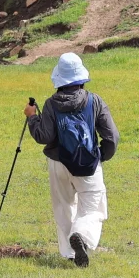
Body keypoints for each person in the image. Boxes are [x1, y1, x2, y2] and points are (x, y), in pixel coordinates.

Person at [24, 52, 119, 266]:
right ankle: (82, 236)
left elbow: (44, 136)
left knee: (63, 206)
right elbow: (111, 137)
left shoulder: (50, 104)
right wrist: (100, 157)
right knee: (93, 207)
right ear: (81, 78)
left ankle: (69, 252)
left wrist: (32, 118)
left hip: (58, 163)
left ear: (59, 79)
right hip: (88, 163)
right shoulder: (94, 101)